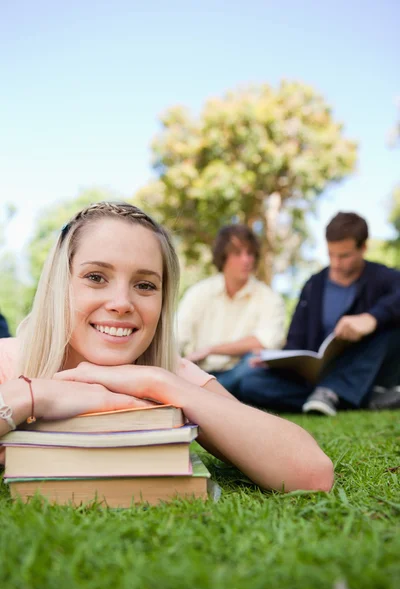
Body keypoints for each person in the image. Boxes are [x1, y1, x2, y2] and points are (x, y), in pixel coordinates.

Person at [0, 201, 333, 493]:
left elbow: (312, 473)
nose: (121, 303)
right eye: (96, 277)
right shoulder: (9, 359)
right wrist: (35, 396)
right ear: (61, 284)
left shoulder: (173, 373)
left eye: (145, 285)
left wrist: (159, 383)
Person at [238, 212, 400, 416]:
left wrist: (372, 318)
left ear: (363, 248)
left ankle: (334, 393)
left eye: (344, 256)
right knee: (251, 382)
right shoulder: (313, 285)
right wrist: (276, 361)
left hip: (362, 367)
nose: (336, 263)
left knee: (391, 328)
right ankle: (352, 396)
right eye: (331, 254)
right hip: (316, 376)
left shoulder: (381, 277)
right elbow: (296, 341)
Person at [177, 224, 286, 396]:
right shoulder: (199, 293)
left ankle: (210, 394)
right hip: (202, 372)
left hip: (242, 372)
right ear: (223, 257)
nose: (246, 260)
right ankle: (216, 394)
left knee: (251, 369)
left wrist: (211, 349)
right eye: (238, 253)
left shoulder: (270, 298)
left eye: (250, 254)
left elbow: (264, 342)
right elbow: (177, 336)